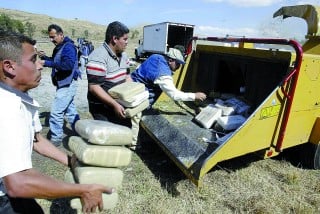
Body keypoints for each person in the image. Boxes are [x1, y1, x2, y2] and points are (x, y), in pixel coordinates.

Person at [0, 30, 114, 213]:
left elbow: (36, 140)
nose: (40, 65)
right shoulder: (7, 107)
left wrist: (70, 161)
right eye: (33, 59)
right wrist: (83, 190)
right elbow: (18, 183)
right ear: (9, 66)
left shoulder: (19, 96)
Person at [38, 24, 81, 146]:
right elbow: (56, 61)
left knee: (56, 112)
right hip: (64, 84)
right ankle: (80, 132)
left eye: (53, 37)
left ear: (61, 35)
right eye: (50, 37)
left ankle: (56, 139)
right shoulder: (60, 46)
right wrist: (45, 58)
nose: (51, 40)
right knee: (71, 112)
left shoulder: (68, 47)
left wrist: (46, 62)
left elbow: (67, 66)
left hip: (67, 84)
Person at [131, 48, 207, 107]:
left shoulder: (156, 56)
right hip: (137, 97)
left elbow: (139, 67)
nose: (178, 67)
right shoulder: (163, 74)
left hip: (131, 85)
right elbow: (174, 95)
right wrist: (194, 96)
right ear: (170, 60)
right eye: (177, 64)